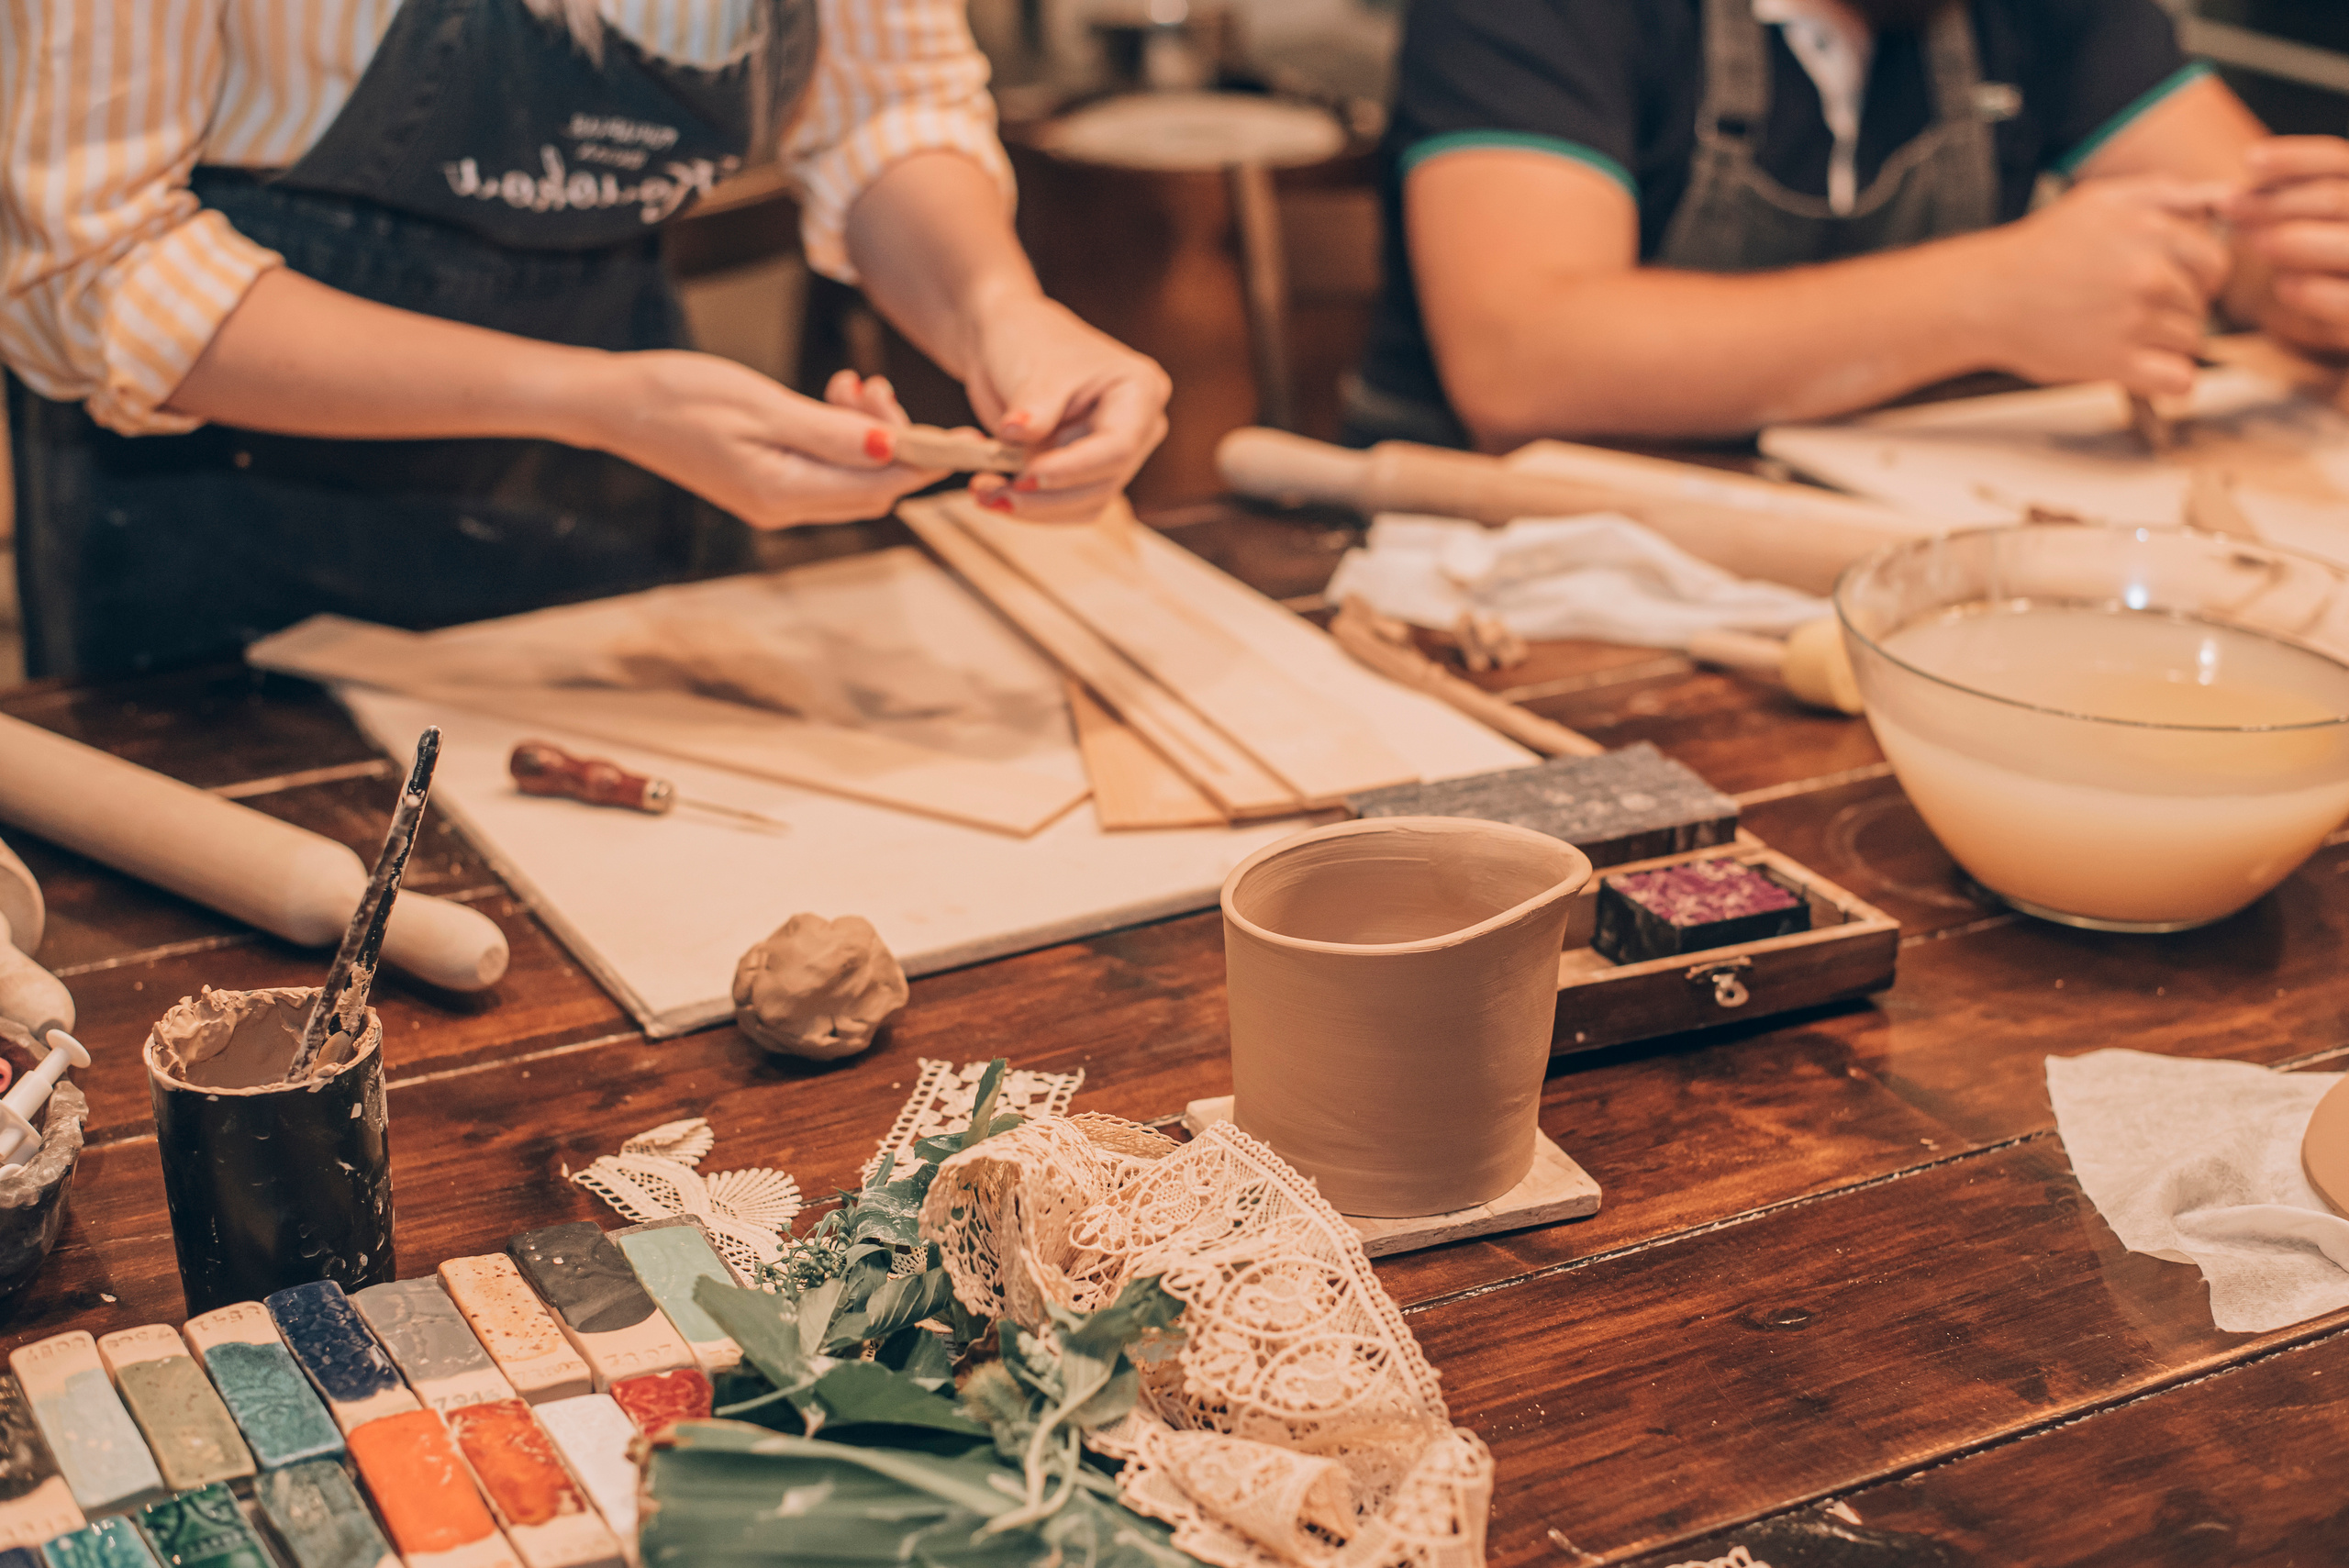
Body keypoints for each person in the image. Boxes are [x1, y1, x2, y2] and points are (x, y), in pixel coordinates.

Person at [0, 0, 1171, 678]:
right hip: (222, 504)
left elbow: (886, 105)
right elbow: (87, 263)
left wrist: (1002, 312)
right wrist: (601, 401)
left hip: (624, 448)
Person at [1350, 0, 2349, 452]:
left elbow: (2250, 235)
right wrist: (1986, 298)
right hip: (1481, 562)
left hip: (1862, 555)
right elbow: (1521, 360)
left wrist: (2308, 276)